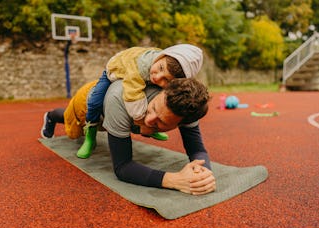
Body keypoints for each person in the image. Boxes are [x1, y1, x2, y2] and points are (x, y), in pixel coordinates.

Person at [40, 77, 215, 195]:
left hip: (118, 112)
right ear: (163, 91)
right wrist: (174, 180)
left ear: (181, 123)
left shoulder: (187, 106)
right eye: (153, 108)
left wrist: (202, 172)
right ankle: (50, 116)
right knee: (73, 126)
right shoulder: (119, 99)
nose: (149, 118)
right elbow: (123, 167)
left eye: (160, 122)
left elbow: (197, 150)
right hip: (89, 102)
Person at [42, 44, 204, 159]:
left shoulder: (167, 65)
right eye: (160, 69)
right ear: (161, 57)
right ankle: (74, 128)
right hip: (113, 72)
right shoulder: (140, 69)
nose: (157, 78)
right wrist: (143, 123)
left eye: (166, 80)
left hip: (121, 93)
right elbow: (133, 94)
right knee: (93, 104)